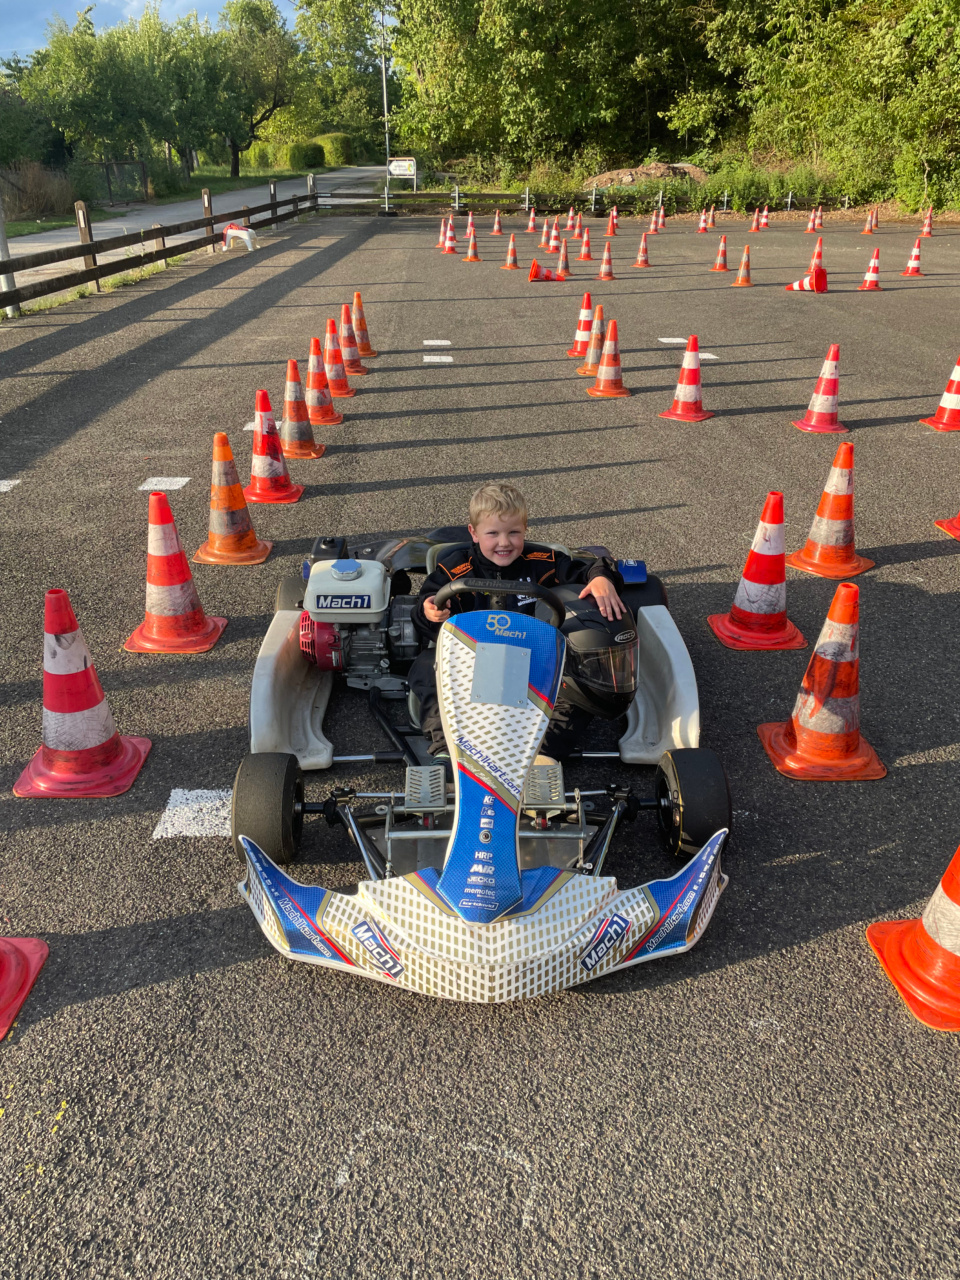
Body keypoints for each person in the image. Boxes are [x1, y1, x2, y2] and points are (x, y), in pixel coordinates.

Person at [408, 481, 627, 760]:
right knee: (426, 665)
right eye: (493, 533)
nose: (504, 542)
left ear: (525, 530)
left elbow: (588, 567)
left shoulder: (542, 560)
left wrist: (600, 578)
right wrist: (431, 611)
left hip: (536, 664)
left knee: (583, 672)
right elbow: (424, 606)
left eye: (514, 532)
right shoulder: (454, 567)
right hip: (470, 663)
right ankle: (447, 749)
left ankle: (545, 753)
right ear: (473, 533)